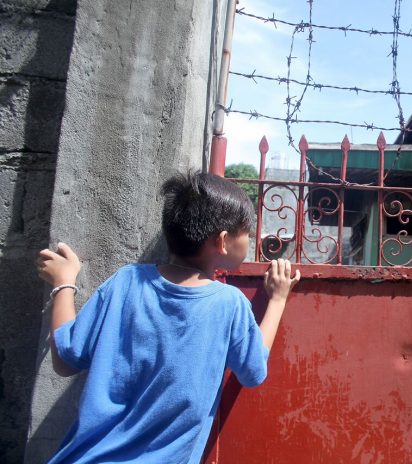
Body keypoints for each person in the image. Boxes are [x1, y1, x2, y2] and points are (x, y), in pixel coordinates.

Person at [36, 171, 300, 463]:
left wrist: (64, 282)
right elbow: (252, 372)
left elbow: (65, 359)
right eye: (247, 233)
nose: (250, 240)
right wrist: (277, 299)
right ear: (223, 241)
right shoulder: (229, 304)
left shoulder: (126, 282)